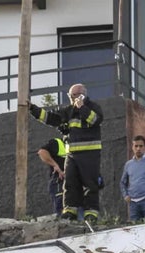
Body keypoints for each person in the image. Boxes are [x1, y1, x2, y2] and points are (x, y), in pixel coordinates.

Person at [30, 83, 103, 223]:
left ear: (82, 95)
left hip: (89, 153)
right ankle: (70, 210)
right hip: (72, 155)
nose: (71, 98)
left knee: (90, 184)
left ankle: (91, 213)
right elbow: (51, 118)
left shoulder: (94, 107)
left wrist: (82, 107)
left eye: (74, 95)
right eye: (70, 95)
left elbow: (95, 120)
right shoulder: (68, 111)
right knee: (70, 183)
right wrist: (33, 109)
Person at [36, 136, 67, 217]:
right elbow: (42, 152)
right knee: (62, 211)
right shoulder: (58, 143)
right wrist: (55, 165)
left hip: (74, 183)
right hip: (59, 181)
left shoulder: (76, 146)